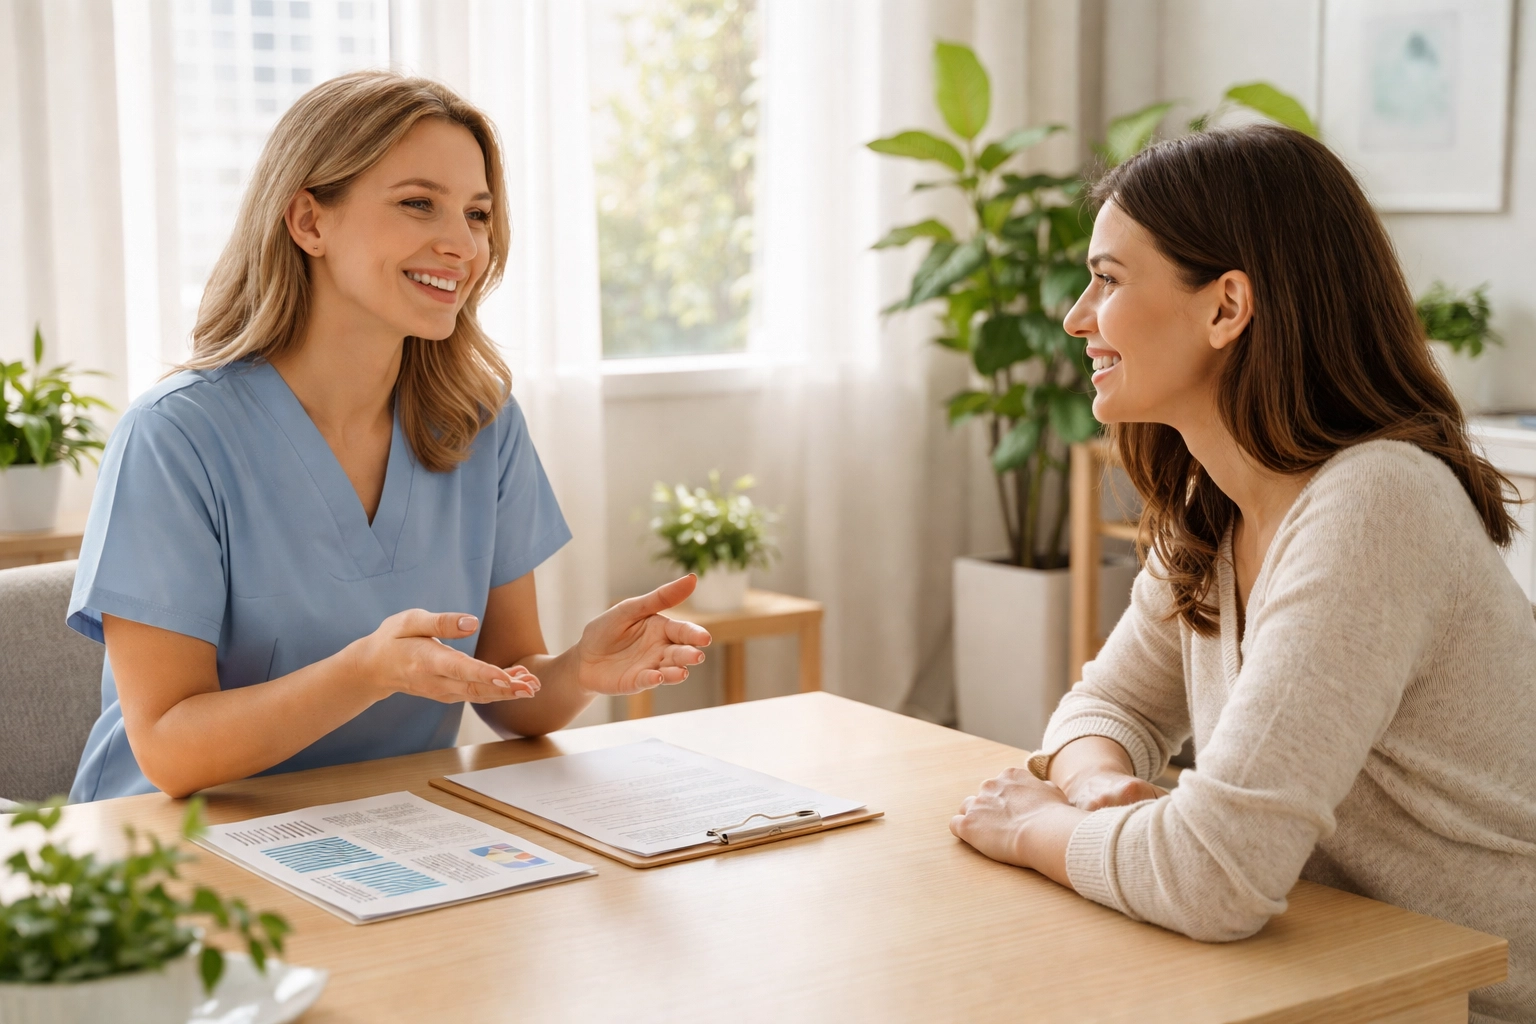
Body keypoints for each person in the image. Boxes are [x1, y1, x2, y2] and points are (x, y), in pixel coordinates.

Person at [949, 126, 1536, 1023]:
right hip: (1328, 970)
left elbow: (1214, 876)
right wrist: (1096, 787)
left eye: (1107, 279)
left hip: (1465, 999)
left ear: (1226, 307)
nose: (1076, 317)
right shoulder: (1211, 505)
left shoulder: (1377, 504)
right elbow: (1110, 708)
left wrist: (1035, 828)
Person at [68, 71, 710, 803]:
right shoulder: (174, 439)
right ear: (309, 221)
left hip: (384, 836)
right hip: (171, 849)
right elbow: (169, 752)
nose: (462, 245)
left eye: (476, 214)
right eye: (418, 204)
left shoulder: (480, 422)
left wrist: (579, 671)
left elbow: (508, 689)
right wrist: (367, 673)